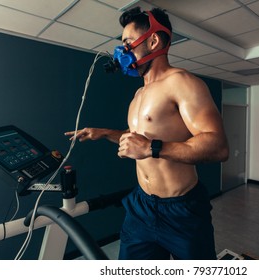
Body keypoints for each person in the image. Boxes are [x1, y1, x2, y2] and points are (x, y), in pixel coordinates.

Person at [65, 7, 229, 260]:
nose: (122, 52)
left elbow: (218, 146)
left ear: (153, 41)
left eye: (128, 43)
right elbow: (137, 138)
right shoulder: (139, 94)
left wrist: (151, 148)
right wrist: (105, 133)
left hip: (181, 208)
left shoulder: (182, 82)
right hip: (141, 206)